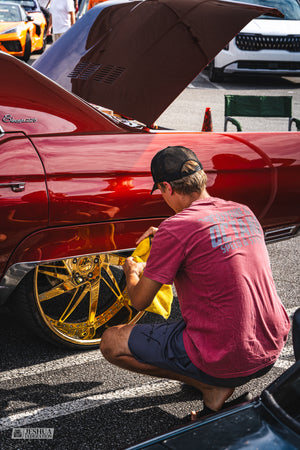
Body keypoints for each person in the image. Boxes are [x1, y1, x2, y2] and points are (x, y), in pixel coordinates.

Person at [100, 145, 290, 414]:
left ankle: (212, 387)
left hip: (231, 355)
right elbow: (207, 242)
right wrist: (166, 235)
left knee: (111, 342)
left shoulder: (175, 229)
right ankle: (213, 376)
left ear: (167, 187)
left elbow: (140, 301)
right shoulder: (242, 211)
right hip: (272, 346)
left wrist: (131, 271)